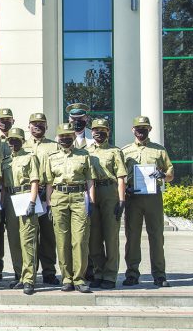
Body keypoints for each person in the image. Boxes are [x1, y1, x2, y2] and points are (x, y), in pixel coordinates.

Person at [121, 116, 174, 288]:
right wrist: (124, 190)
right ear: (132, 130)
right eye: (138, 128)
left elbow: (171, 173)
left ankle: (159, 274)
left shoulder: (159, 150)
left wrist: (163, 176)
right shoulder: (125, 151)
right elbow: (119, 175)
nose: (141, 131)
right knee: (132, 236)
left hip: (153, 197)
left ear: (150, 129)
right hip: (133, 196)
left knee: (157, 236)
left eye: (144, 128)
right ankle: (132, 274)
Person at [45, 122, 95, 293]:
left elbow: (90, 181)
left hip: (79, 197)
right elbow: (49, 183)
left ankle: (79, 278)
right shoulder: (52, 157)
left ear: (74, 137)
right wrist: (49, 204)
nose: (65, 139)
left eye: (69, 136)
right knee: (62, 240)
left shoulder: (84, 155)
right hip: (59, 197)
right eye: (62, 136)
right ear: (58, 138)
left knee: (80, 240)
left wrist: (92, 202)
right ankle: (66, 278)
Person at [86, 119, 127, 289]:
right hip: (92, 191)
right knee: (93, 238)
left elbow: (121, 177)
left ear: (108, 132)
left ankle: (110, 275)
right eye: (95, 130)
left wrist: (121, 200)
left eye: (102, 130)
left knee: (110, 236)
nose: (98, 133)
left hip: (110, 192)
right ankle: (98, 272)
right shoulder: (86, 152)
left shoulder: (115, 151)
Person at [2, 127, 41, 295]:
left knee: (28, 239)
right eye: (10, 140)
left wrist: (32, 201)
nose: (12, 143)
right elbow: (3, 186)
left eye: (16, 140)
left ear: (22, 141)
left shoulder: (30, 157)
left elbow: (35, 181)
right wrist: (3, 206)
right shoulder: (5, 161)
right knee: (14, 239)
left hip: (25, 196)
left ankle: (29, 279)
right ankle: (19, 275)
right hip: (11, 199)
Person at [23, 112, 60, 285]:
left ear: (47, 126)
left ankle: (49, 271)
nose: (37, 126)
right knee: (29, 236)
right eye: (34, 123)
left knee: (48, 235)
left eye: (41, 123)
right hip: (26, 195)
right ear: (28, 126)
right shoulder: (21, 146)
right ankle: (28, 273)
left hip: (47, 193)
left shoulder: (55, 146)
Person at [0, 108, 15, 281]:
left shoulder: (20, 138)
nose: (4, 122)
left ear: (13, 121)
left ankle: (20, 270)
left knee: (17, 233)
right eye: (1, 119)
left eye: (7, 119)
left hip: (16, 193)